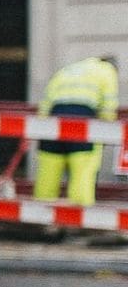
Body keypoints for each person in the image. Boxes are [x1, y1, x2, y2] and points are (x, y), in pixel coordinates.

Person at [34, 53, 119, 207]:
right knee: (82, 171)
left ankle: (41, 215)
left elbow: (45, 106)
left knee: (48, 172)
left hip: (53, 120)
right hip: (82, 119)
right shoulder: (107, 70)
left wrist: (41, 129)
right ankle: (79, 216)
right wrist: (107, 131)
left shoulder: (68, 70)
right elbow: (109, 104)